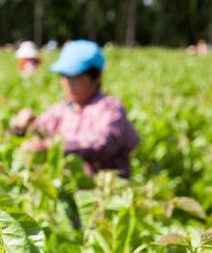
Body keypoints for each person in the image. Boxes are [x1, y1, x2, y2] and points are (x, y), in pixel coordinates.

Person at [9, 40, 140, 178]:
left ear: (96, 78)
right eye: (64, 76)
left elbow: (102, 143)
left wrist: (53, 146)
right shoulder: (60, 110)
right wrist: (21, 126)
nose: (68, 84)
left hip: (103, 191)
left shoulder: (109, 108)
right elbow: (37, 129)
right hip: (68, 187)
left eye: (76, 77)